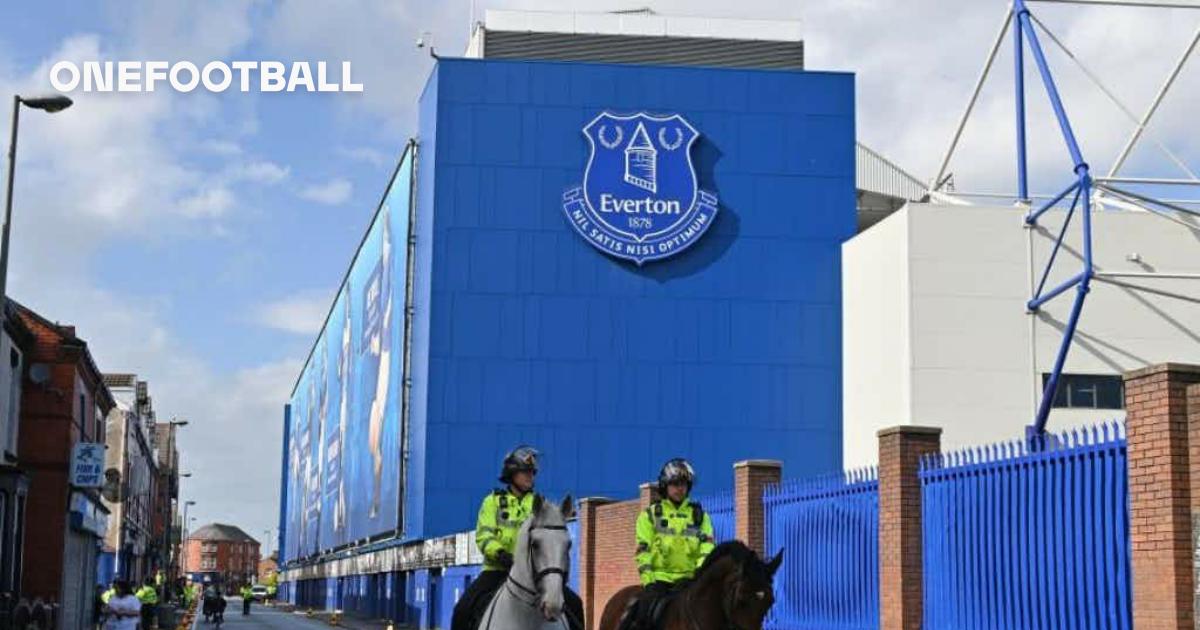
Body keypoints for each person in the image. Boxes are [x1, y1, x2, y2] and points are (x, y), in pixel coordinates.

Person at [450, 446, 584, 630]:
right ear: (512, 474)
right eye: (525, 472)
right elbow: (484, 535)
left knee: (575, 605)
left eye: (532, 473)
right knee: (462, 610)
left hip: (533, 573)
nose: (530, 477)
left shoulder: (540, 504)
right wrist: (499, 553)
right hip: (497, 569)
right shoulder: (493, 502)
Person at [622, 458, 715, 630]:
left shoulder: (700, 517)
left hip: (690, 581)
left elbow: (707, 548)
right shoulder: (650, 516)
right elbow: (643, 552)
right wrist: (649, 581)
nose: (680, 488)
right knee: (642, 615)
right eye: (675, 484)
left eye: (684, 484)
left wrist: (699, 574)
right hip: (659, 581)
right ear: (665, 486)